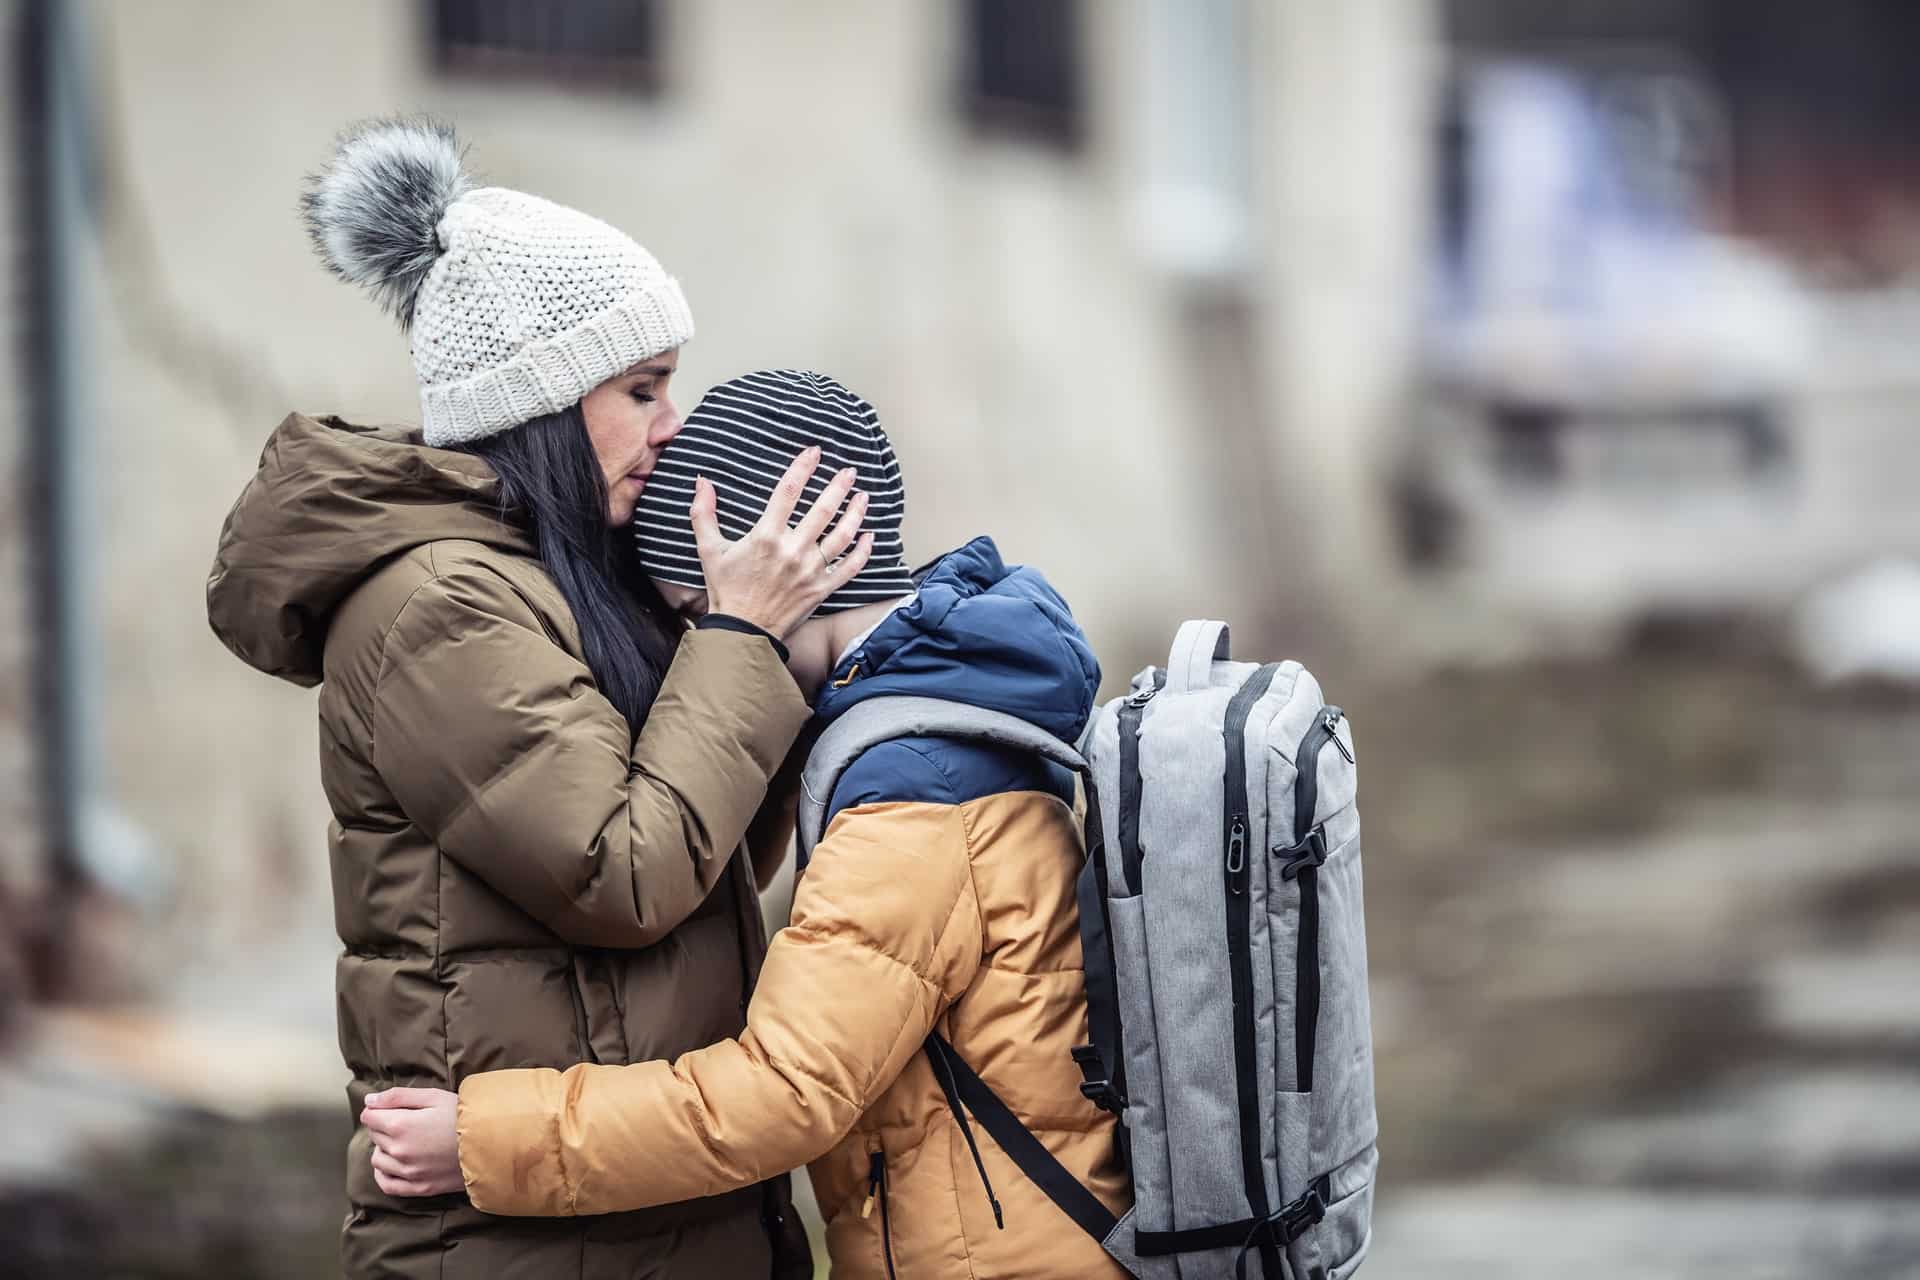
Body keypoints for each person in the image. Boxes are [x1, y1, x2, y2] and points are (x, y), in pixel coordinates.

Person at [207, 122, 871, 1279]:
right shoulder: (439, 606)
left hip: (631, 1210)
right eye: (642, 391)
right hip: (517, 1241)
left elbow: (712, 861)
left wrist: (763, 659)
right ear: (545, 399)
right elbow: (624, 874)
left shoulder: (554, 581)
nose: (673, 430)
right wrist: (739, 638)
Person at [363, 371, 1130, 1279]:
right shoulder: (960, 708)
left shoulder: (910, 791)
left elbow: (779, 1096)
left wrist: (488, 1140)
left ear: (791, 566)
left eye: (701, 612)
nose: (705, 644)